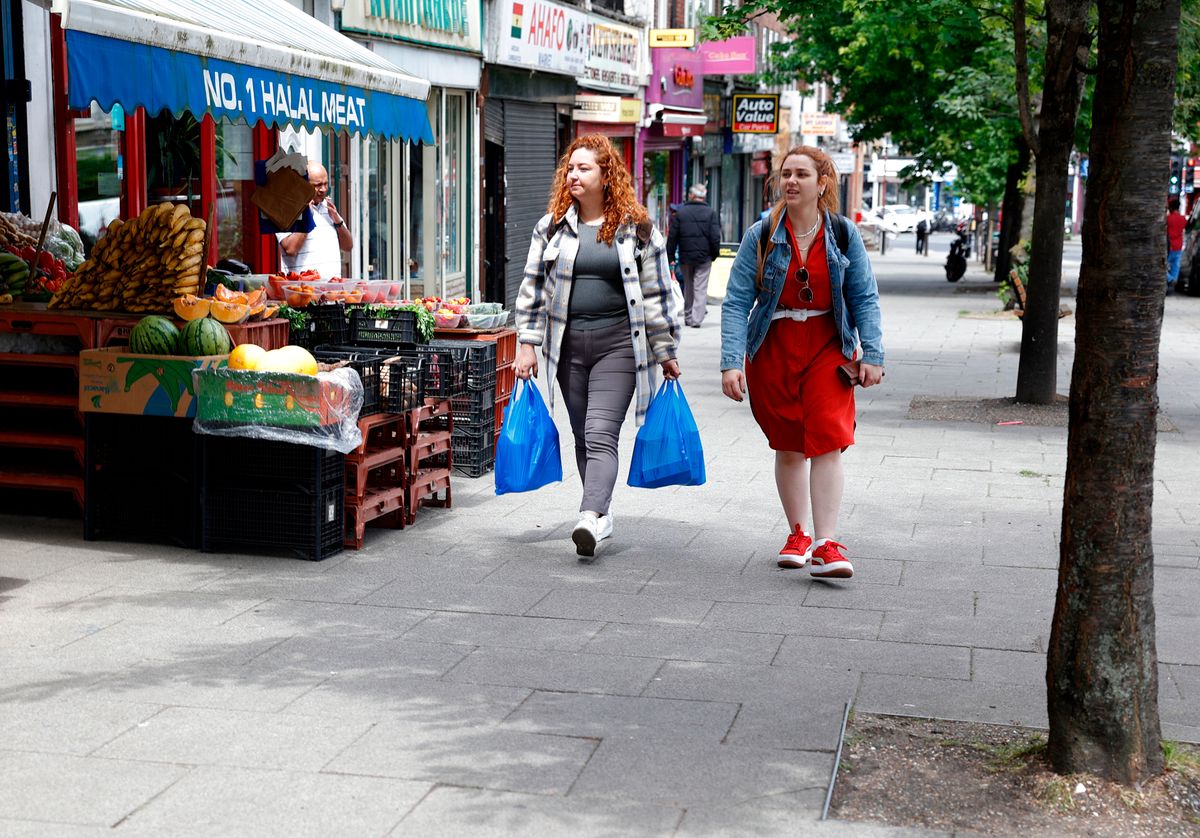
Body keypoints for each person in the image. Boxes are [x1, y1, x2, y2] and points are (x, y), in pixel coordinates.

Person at [514, 135, 683, 560]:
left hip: (619, 346)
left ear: (607, 175)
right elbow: (532, 289)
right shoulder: (551, 225)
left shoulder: (637, 227)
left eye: (584, 168)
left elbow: (658, 293)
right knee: (581, 435)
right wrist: (527, 344)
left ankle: (589, 514)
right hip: (567, 345)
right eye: (570, 168)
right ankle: (601, 514)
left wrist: (665, 350)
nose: (574, 174)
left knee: (600, 431)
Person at [719, 145, 884, 580]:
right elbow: (736, 302)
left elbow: (864, 297)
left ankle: (827, 543)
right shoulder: (761, 234)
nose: (791, 181)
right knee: (789, 442)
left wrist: (874, 354)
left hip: (829, 345)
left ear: (822, 183)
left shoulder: (843, 234)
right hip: (773, 346)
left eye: (801, 175)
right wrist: (730, 361)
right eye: (785, 174)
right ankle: (797, 534)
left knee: (828, 437)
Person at [277, 161, 352, 279]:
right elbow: (290, 249)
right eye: (317, 185)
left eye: (326, 184)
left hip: (331, 290)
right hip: (303, 290)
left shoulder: (327, 207)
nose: (323, 189)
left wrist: (337, 221)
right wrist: (307, 217)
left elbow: (348, 246)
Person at [667, 184, 722, 327]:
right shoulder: (710, 213)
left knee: (689, 286)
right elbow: (715, 237)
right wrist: (714, 254)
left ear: (691, 196)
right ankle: (696, 319)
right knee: (700, 287)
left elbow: (672, 236)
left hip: (686, 257)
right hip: (704, 257)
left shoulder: (681, 213)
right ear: (703, 196)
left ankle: (688, 316)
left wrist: (670, 256)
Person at [1166, 197, 1187, 290]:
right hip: (1178, 246)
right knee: (1175, 265)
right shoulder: (1183, 219)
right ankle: (1173, 281)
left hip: (1169, 246)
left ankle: (1170, 279)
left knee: (1161, 265)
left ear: (1170, 208)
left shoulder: (1168, 219)